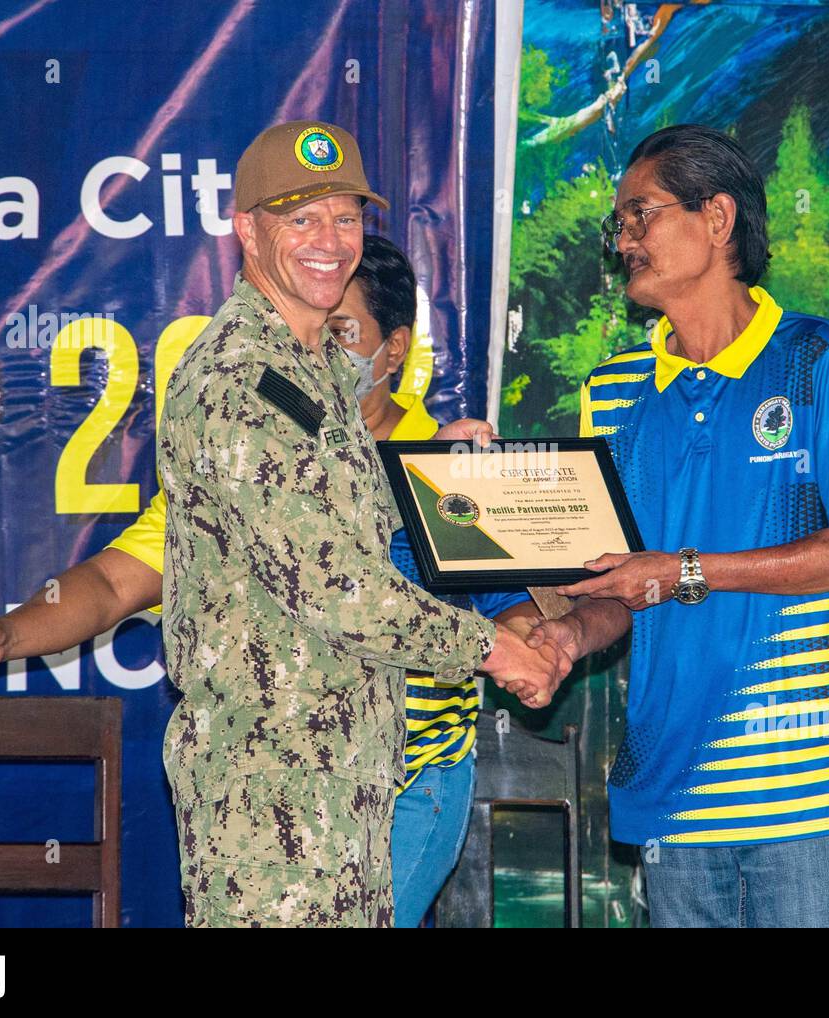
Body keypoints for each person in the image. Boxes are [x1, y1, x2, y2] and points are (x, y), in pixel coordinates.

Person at [156, 119, 569, 927]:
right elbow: (336, 587)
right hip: (269, 803)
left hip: (342, 788)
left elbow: (336, 518)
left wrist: (431, 468)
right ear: (247, 228)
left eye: (346, 217)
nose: (329, 241)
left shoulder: (313, 374)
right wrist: (494, 648)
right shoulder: (242, 379)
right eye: (300, 218)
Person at [523, 124, 829, 928]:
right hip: (670, 790)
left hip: (807, 789)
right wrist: (563, 635)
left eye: (641, 216)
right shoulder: (612, 391)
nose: (623, 239)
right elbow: (618, 589)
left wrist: (686, 570)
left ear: (718, 218)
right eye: (617, 225)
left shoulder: (816, 361)